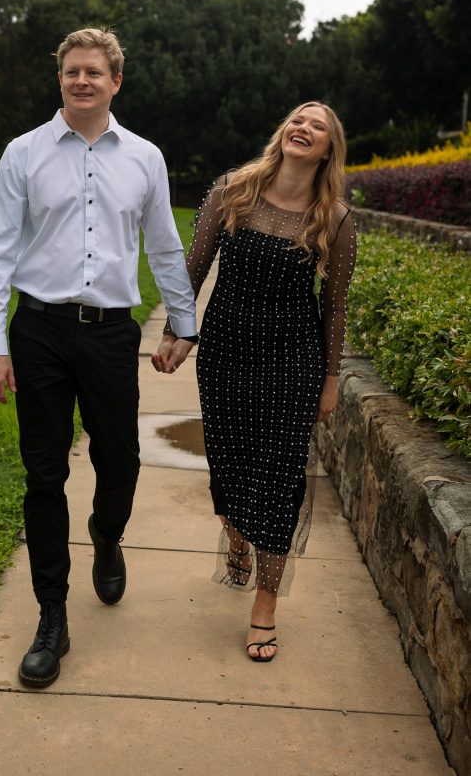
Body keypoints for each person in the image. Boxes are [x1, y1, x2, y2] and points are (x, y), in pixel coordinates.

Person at [0, 28, 198, 688]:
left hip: (108, 334)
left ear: (115, 81)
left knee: (118, 459)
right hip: (39, 331)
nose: (81, 80)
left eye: (93, 71)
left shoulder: (145, 159)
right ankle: (51, 618)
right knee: (43, 475)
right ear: (61, 79)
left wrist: (181, 324)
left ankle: (106, 533)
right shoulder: (24, 153)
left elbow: (163, 245)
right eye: (71, 71)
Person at [153, 101, 356, 662]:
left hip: (293, 359)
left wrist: (331, 378)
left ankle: (265, 605)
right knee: (229, 466)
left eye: (318, 126)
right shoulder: (231, 190)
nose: (304, 128)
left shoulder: (334, 218)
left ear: (328, 150)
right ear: (283, 132)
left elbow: (334, 309)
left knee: (279, 477)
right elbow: (192, 270)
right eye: (298, 119)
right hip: (226, 352)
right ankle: (236, 533)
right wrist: (177, 332)